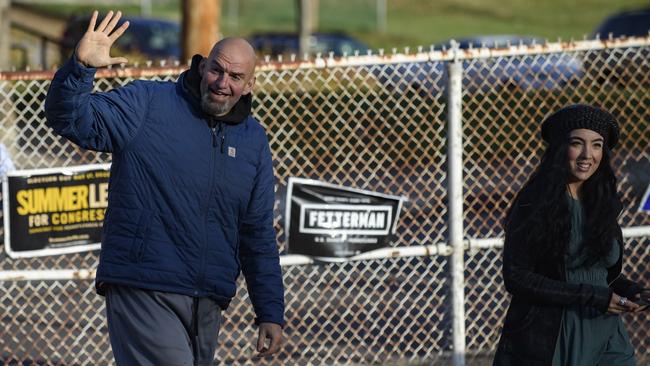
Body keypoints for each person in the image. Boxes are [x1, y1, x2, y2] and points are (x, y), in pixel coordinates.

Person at [44, 10, 284, 365]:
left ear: (249, 86)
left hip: (207, 299)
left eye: (235, 76)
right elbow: (69, 119)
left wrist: (270, 311)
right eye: (217, 69)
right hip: (144, 285)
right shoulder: (148, 104)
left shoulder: (253, 142)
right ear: (202, 66)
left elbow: (257, 232)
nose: (222, 82)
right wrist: (80, 68)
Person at [493, 104, 649, 366]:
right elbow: (516, 277)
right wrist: (591, 296)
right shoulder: (534, 203)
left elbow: (602, 273)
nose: (587, 155)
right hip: (556, 337)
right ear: (559, 148)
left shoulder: (603, 203)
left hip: (608, 338)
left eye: (597, 145)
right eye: (577, 143)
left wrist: (633, 291)